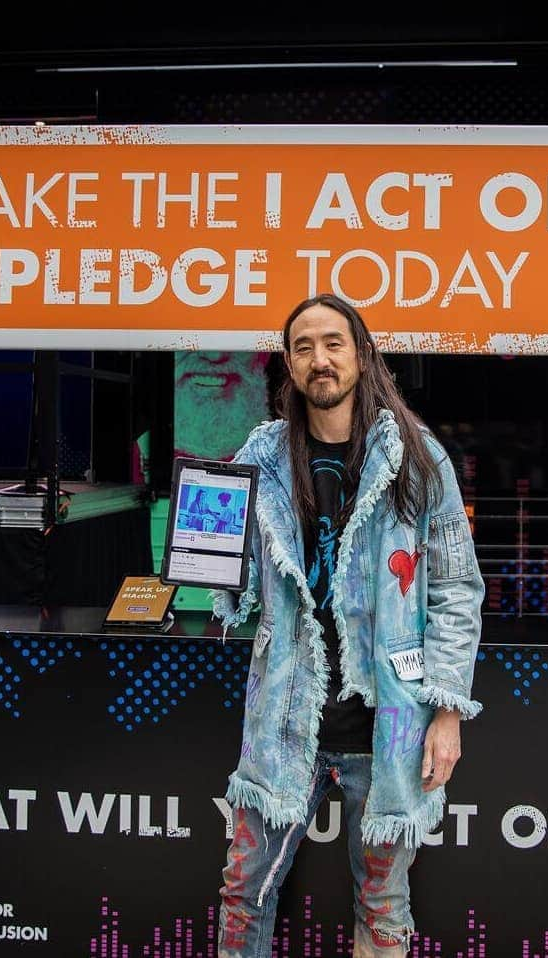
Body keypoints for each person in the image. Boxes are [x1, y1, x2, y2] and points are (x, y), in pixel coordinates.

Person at [212, 293, 485, 957]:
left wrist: (447, 712)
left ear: (361, 355)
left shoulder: (418, 459)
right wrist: (208, 554)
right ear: (289, 364)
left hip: (388, 724)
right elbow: (235, 586)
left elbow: (456, 588)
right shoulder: (262, 458)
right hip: (286, 713)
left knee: (384, 901)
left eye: (333, 343)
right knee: (243, 892)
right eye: (303, 347)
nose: (320, 359)